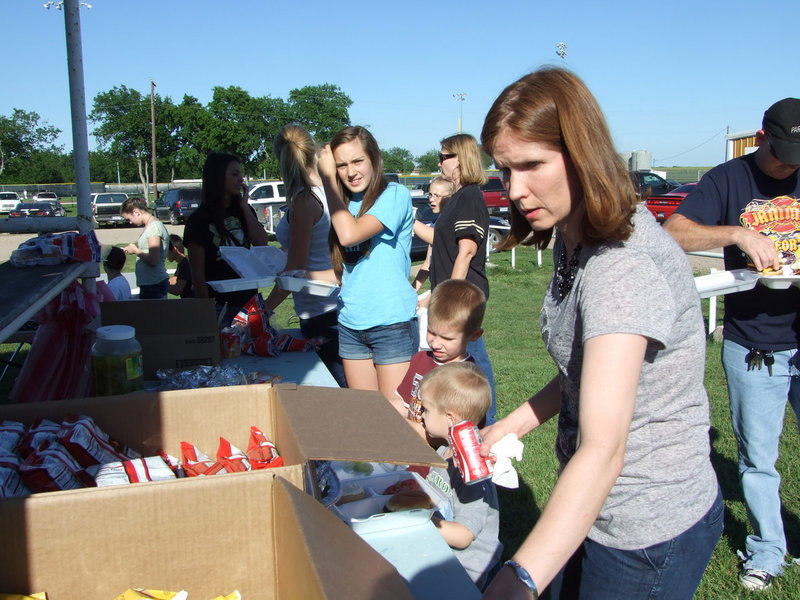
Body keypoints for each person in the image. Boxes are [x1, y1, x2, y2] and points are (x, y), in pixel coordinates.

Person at [478, 67, 722, 599]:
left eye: (532, 165)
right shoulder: (574, 234)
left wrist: (518, 580)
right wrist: (516, 423)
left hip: (646, 528)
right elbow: (584, 373)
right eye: (503, 170)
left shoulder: (621, 269)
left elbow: (604, 450)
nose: (515, 190)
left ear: (581, 153)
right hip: (594, 506)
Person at [663, 98, 800, 592]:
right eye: (783, 151)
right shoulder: (727, 178)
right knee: (759, 458)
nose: (789, 164)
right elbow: (673, 231)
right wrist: (738, 234)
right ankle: (768, 550)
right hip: (755, 342)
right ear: (762, 137)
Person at [318, 126, 418, 397]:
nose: (351, 172)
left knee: (396, 419)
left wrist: (328, 180)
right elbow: (350, 270)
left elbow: (350, 236)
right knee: (368, 416)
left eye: (357, 161)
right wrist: (302, 274)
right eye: (341, 165)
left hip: (391, 323)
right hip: (351, 323)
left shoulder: (395, 195)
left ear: (374, 158)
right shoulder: (345, 203)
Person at [263, 124, 346, 388]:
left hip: (321, 312)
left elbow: (295, 271)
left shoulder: (304, 200)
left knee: (340, 392)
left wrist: (261, 312)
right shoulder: (326, 191)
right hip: (331, 306)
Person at [422, 133, 497, 424]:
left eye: (444, 156)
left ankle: (484, 423)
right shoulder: (458, 197)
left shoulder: (469, 196)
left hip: (463, 295)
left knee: (472, 362)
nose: (439, 161)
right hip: (453, 291)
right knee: (464, 360)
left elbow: (466, 251)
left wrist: (450, 297)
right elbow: (444, 243)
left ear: (461, 158)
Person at [418, 362, 503, 590]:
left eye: (425, 409)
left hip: (468, 573)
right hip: (442, 552)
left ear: (450, 418)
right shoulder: (444, 451)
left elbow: (464, 536)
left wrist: (418, 522)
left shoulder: (472, 474)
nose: (420, 414)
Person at [393, 278, 485, 437]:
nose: (435, 343)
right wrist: (376, 407)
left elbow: (447, 437)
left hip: (440, 457)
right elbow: (405, 404)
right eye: (431, 332)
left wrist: (395, 425)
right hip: (409, 449)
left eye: (447, 338)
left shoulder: (467, 378)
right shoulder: (420, 359)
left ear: (474, 335)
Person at [183, 153, 269, 322]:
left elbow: (261, 242)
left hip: (249, 302)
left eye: (241, 175)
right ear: (217, 176)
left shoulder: (244, 211)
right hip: (219, 306)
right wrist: (206, 311)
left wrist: (245, 206)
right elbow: (197, 273)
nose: (241, 180)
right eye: (234, 174)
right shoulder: (199, 219)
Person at [411, 176, 455, 291]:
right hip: (438, 289)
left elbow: (437, 238)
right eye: (430, 194)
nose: (431, 199)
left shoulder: (452, 223)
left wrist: (408, 221)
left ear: (451, 197)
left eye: (437, 195)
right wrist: (413, 289)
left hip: (450, 290)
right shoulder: (436, 223)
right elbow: (428, 263)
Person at [121, 197, 169, 299]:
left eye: (129, 218)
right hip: (150, 283)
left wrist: (136, 251)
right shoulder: (150, 226)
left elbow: (153, 260)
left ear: (136, 212)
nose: (130, 222)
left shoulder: (153, 228)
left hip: (154, 283)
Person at [166, 234, 194, 298]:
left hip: (191, 304)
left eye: (166, 251)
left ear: (174, 249)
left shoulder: (185, 265)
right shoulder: (183, 262)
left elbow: (177, 290)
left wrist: (159, 286)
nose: (165, 255)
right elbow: (175, 280)